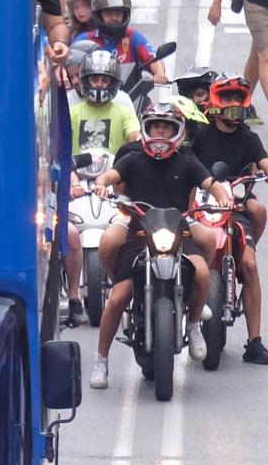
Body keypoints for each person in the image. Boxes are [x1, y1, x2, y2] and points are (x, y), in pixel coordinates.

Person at [87, 104, 227, 388]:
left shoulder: (186, 160)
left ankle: (193, 323)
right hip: (140, 232)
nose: (160, 132)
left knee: (201, 274)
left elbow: (211, 183)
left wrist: (223, 195)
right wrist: (101, 184)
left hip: (179, 230)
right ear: (146, 129)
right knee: (117, 298)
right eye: (155, 127)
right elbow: (111, 176)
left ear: (178, 132)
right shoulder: (134, 159)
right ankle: (101, 361)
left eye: (166, 127)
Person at [192, 78, 268, 366]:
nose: (232, 105)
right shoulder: (202, 135)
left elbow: (264, 161)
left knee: (250, 265)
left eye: (236, 99)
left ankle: (254, 342)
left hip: (238, 207)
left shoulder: (248, 137)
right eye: (227, 98)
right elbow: (190, 163)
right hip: (205, 207)